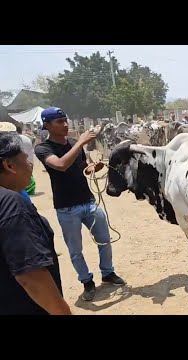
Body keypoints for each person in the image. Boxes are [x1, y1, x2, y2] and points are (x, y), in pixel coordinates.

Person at [34, 107, 126, 302]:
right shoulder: (43, 149)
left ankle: (108, 273)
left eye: (65, 120)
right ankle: (87, 281)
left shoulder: (75, 143)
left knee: (105, 240)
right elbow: (60, 165)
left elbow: (81, 166)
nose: (65, 124)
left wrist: (94, 166)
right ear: (47, 125)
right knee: (76, 251)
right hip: (66, 208)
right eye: (59, 122)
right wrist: (82, 143)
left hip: (89, 201)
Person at [0, 132, 72, 314]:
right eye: (26, 159)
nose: (31, 165)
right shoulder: (11, 204)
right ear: (9, 165)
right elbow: (30, 276)